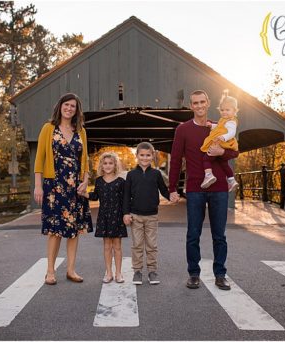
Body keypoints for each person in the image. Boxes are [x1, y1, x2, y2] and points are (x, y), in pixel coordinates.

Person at [169, 90, 240, 291]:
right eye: (195, 103)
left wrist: (222, 152)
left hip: (219, 188)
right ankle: (193, 273)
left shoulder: (220, 126)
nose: (199, 106)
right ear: (191, 106)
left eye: (202, 102)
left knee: (219, 235)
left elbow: (235, 150)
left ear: (208, 103)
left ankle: (220, 274)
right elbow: (175, 159)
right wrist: (172, 188)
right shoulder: (183, 129)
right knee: (193, 233)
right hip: (195, 188)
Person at [33, 92, 92, 285]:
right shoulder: (48, 128)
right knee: (54, 231)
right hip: (54, 187)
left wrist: (85, 181)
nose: (69, 109)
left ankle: (71, 270)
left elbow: (85, 160)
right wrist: (38, 186)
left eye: (73, 106)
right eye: (66, 105)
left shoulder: (81, 131)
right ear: (60, 107)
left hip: (75, 188)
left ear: (77, 110)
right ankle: (50, 271)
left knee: (73, 231)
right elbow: (39, 159)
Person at [123, 142, 171, 286]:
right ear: (136, 156)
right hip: (135, 216)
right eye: (142, 155)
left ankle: (152, 271)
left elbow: (163, 190)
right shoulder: (131, 175)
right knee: (137, 245)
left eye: (148, 155)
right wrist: (126, 213)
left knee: (151, 245)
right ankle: (137, 271)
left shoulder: (156, 174)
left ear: (152, 156)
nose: (145, 158)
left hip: (152, 216)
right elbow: (126, 195)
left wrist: (172, 196)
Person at [78, 152, 128, 283]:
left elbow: (125, 200)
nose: (108, 165)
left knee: (117, 246)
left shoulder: (121, 182)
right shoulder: (99, 181)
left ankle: (118, 273)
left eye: (110, 163)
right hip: (104, 216)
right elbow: (95, 196)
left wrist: (126, 214)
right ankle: (109, 273)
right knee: (106, 246)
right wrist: (83, 193)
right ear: (101, 165)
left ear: (115, 165)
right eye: (105, 163)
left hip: (117, 217)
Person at [200, 91, 240, 192]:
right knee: (223, 163)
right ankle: (231, 180)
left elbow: (232, 132)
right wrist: (211, 126)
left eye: (227, 110)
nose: (224, 112)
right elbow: (219, 127)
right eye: (222, 110)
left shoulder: (231, 121)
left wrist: (224, 137)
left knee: (206, 159)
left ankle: (208, 175)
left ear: (235, 111)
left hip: (222, 142)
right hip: (223, 143)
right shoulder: (223, 120)